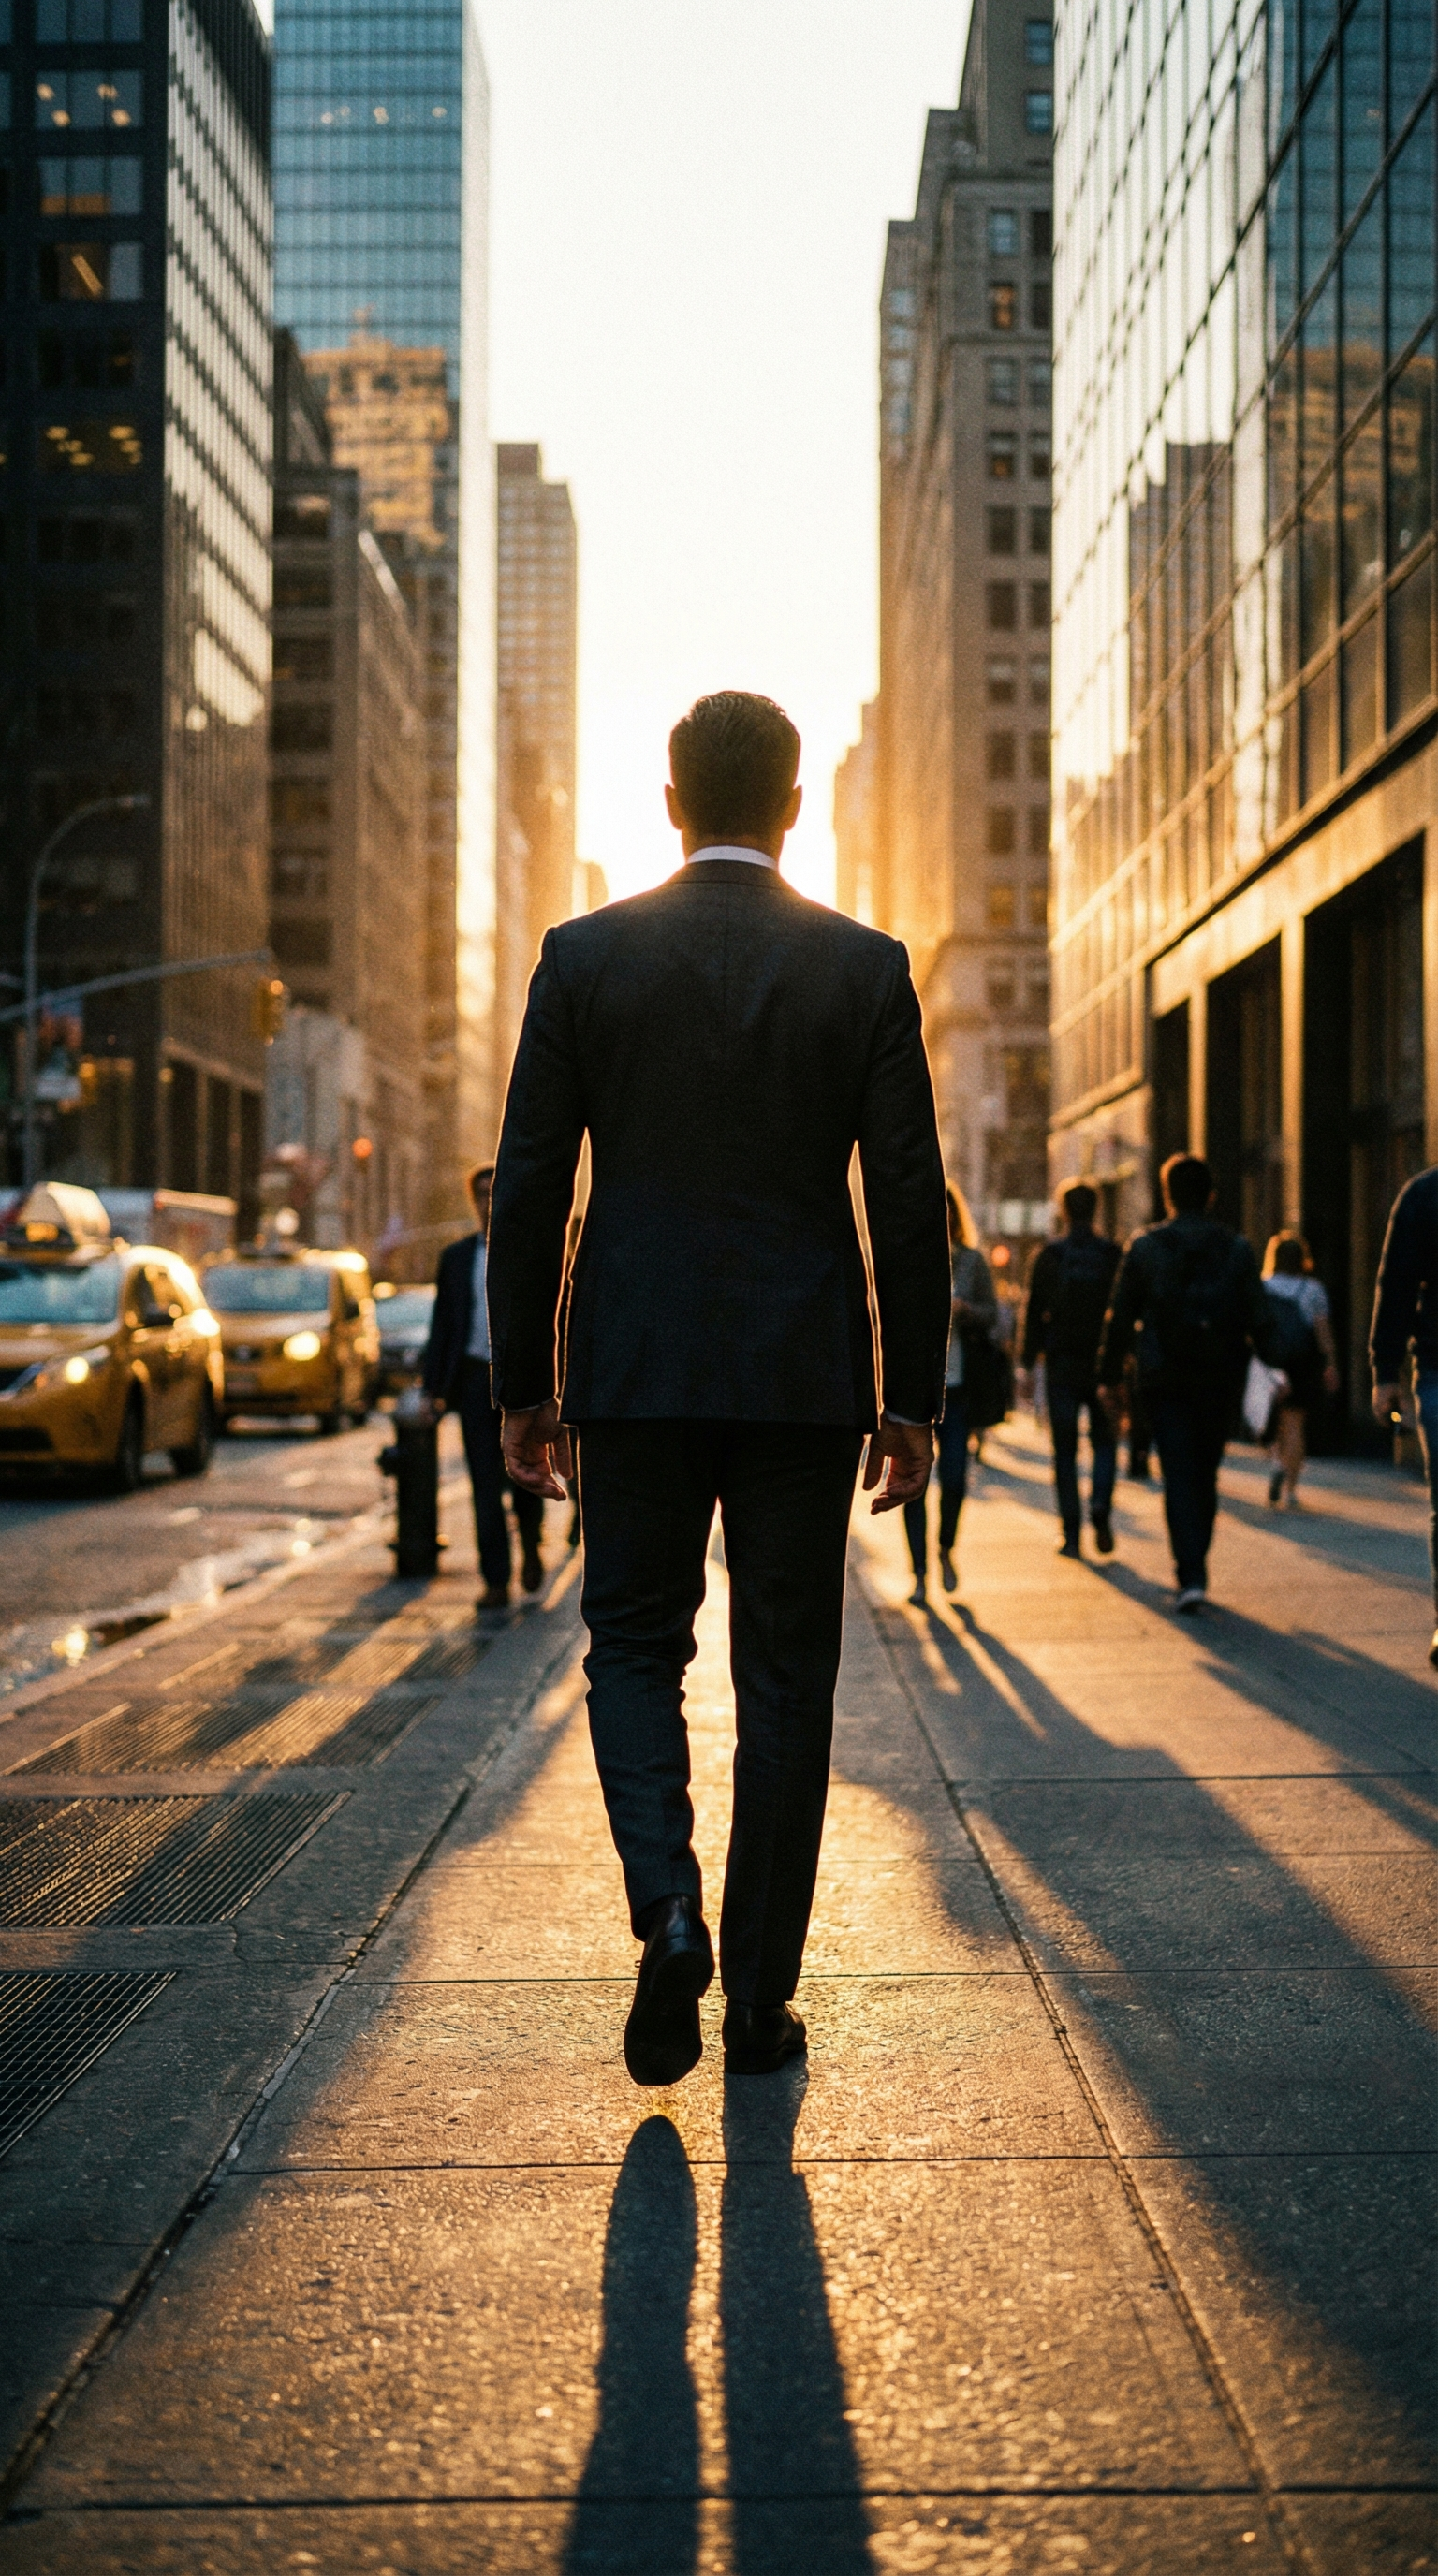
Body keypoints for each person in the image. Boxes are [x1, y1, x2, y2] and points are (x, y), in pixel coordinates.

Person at [487, 690, 950, 2086]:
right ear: (794, 807)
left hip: (631, 1367)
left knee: (632, 1646)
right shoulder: (865, 969)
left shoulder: (584, 960)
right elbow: (912, 1198)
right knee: (788, 1680)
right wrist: (912, 1397)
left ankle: (667, 1907)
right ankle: (757, 2004)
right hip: (804, 1377)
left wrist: (525, 1382)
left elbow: (526, 1185)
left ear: (672, 802)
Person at [1097, 1152, 1272, 1612]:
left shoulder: (1145, 1247)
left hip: (1164, 1375)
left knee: (1177, 1470)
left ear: (1167, 1194)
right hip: (1219, 1375)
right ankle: (1196, 1564)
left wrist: (1109, 1375)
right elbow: (1259, 1315)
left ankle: (1189, 1571)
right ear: (1211, 1195)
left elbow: (1120, 1317)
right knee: (1206, 1470)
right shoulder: (1236, 1248)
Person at [422, 1163, 545, 1613]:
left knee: (526, 1477)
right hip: (475, 1382)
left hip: (522, 1380)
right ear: (472, 1201)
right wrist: (431, 1389)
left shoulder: (530, 1252)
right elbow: (443, 1326)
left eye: (497, 1194)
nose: (489, 1203)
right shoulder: (455, 1258)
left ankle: (531, 1547)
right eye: (482, 1195)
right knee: (482, 1484)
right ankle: (496, 1579)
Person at [1019, 1180, 1121, 1558]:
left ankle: (1071, 1531)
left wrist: (1027, 1363)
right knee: (1105, 1441)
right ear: (1095, 1210)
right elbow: (1123, 1313)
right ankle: (1100, 1505)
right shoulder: (1111, 1254)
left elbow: (1033, 1314)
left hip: (1061, 1363)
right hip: (1101, 1362)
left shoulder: (1049, 1255)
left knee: (1064, 1450)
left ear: (1063, 1211)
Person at [903, 1186, 995, 1603]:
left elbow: (993, 1314)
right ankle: (920, 1572)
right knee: (912, 1485)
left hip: (957, 1389)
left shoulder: (972, 1262)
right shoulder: (910, 1259)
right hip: (916, 1389)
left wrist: (967, 1311)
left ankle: (945, 1549)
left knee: (954, 1478)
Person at [1370, 1164, 1438, 1670]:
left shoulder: (1423, 1195)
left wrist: (1385, 1372)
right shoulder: (1422, 1196)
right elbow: (1394, 1286)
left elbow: (1394, 1285)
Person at [1261, 1230, 1340, 1508]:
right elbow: (1323, 1331)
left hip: (1270, 1362)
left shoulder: (1263, 1286)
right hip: (1302, 1362)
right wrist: (1330, 1364)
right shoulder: (1313, 1290)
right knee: (1295, 1422)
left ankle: (1276, 1462)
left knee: (1271, 1419)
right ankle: (1291, 1489)